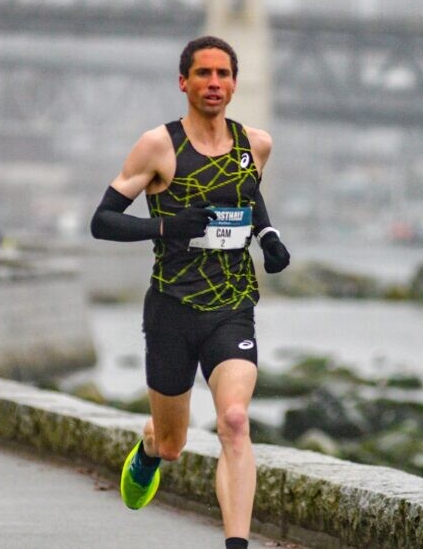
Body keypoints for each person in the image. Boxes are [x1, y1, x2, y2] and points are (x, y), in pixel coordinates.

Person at [90, 36, 291, 549]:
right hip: (172, 309)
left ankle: (236, 543)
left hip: (232, 306)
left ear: (235, 84)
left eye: (223, 74)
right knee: (173, 443)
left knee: (235, 421)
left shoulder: (256, 145)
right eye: (203, 73)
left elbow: (247, 195)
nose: (214, 83)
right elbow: (103, 220)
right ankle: (150, 447)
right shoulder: (159, 146)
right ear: (184, 82)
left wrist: (268, 236)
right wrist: (166, 227)